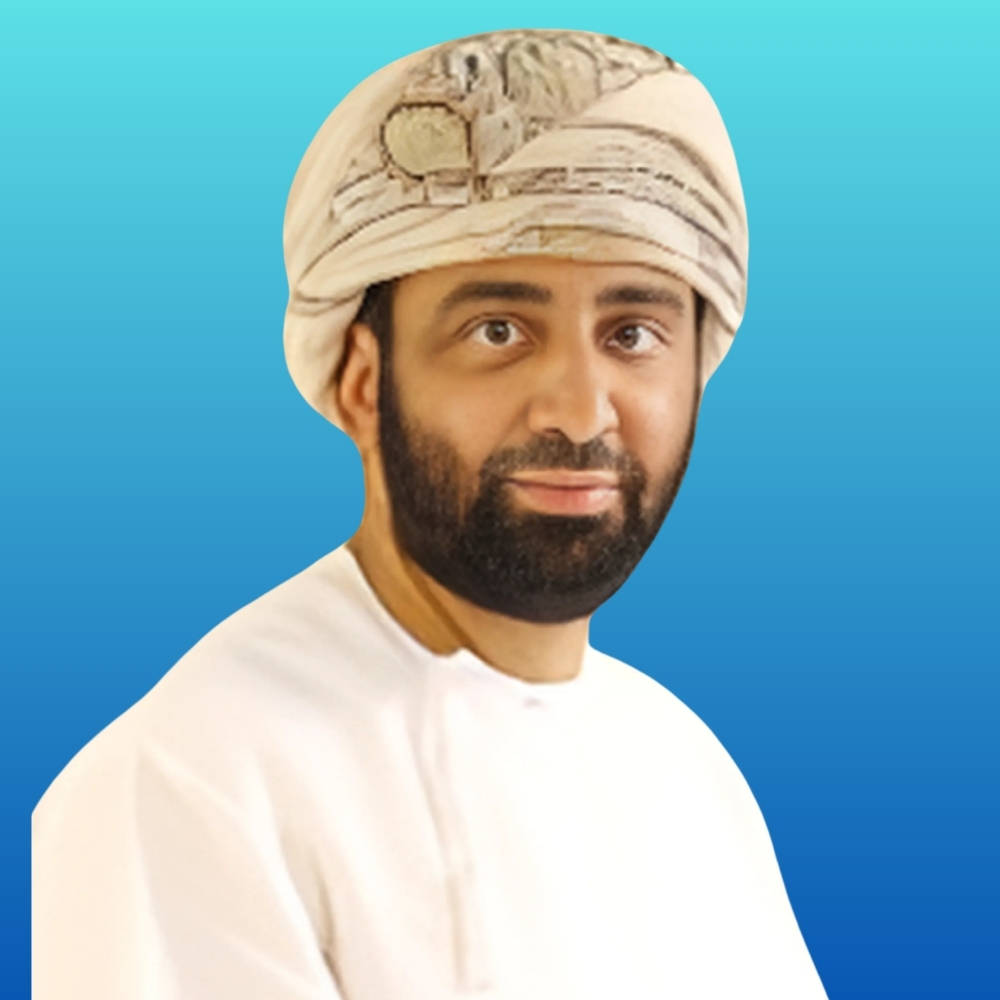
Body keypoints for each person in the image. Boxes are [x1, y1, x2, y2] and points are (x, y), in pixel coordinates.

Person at [32, 29, 828, 1000]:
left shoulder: (683, 767)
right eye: (499, 330)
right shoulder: (192, 781)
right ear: (364, 383)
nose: (581, 412)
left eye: (632, 333)